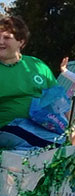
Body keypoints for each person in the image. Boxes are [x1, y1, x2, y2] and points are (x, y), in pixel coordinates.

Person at [0, 16, 59, 150]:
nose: (0, 42)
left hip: (44, 124)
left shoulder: (37, 65)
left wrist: (72, 126)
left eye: (6, 38)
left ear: (21, 41)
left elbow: (58, 100)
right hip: (7, 126)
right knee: (56, 144)